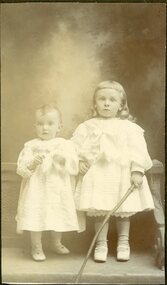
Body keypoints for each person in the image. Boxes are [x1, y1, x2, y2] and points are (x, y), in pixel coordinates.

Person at [71, 81, 154, 262]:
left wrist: (137, 170)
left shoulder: (129, 128)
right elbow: (73, 148)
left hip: (121, 173)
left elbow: (137, 150)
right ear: (95, 104)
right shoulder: (87, 127)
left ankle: (123, 242)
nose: (107, 103)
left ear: (121, 105)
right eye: (102, 99)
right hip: (98, 175)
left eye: (112, 100)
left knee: (123, 209)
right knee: (100, 209)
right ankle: (101, 243)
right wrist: (79, 161)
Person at [16, 104, 79, 261]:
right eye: (40, 124)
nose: (45, 128)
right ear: (35, 126)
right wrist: (32, 163)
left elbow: (73, 166)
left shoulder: (65, 145)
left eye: (50, 124)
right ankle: (36, 246)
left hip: (57, 188)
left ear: (59, 126)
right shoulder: (30, 146)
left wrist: (62, 160)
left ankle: (56, 242)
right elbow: (21, 169)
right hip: (36, 189)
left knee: (56, 213)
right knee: (35, 214)